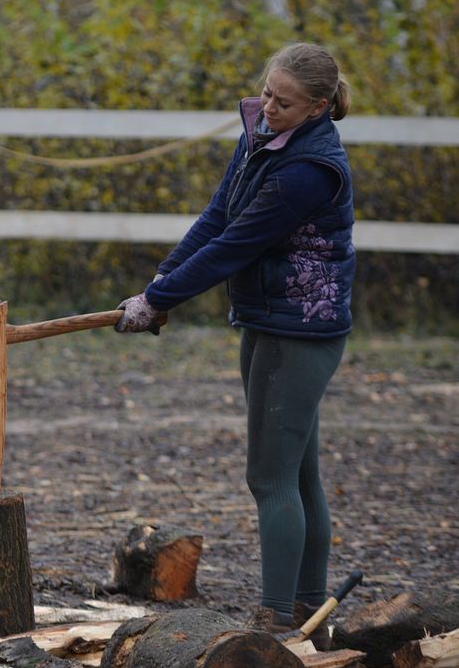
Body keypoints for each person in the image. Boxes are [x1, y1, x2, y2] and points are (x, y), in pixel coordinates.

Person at [113, 42, 353, 650]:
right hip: (270, 319)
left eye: (284, 102)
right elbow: (217, 216)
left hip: (299, 329)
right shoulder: (261, 136)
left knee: (271, 479)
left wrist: (158, 299)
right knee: (297, 473)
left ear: (318, 107)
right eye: (267, 92)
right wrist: (162, 281)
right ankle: (307, 608)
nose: (268, 106)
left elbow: (236, 245)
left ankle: (277, 620)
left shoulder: (309, 169)